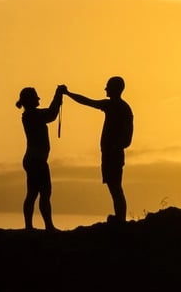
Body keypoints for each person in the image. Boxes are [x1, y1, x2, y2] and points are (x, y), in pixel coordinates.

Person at [64, 77, 134, 223]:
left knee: (115, 188)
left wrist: (115, 147)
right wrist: (69, 94)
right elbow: (88, 102)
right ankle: (120, 218)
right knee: (114, 187)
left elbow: (127, 138)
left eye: (107, 86)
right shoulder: (115, 106)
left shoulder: (120, 108)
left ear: (115, 89)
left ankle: (120, 220)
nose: (105, 89)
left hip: (113, 154)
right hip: (109, 154)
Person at [15, 84, 65, 231]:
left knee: (35, 193)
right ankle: (45, 226)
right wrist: (58, 95)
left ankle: (31, 226)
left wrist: (58, 96)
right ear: (30, 100)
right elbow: (51, 114)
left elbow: (51, 113)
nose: (38, 98)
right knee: (42, 193)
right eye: (36, 96)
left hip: (34, 159)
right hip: (36, 160)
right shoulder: (32, 115)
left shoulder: (31, 115)